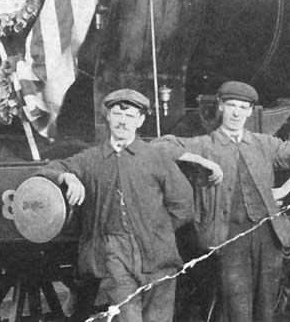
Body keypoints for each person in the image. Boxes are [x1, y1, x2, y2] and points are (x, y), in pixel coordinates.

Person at [159, 81, 290, 322]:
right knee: (237, 308)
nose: (236, 112)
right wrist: (200, 160)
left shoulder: (264, 144)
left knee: (266, 307)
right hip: (230, 238)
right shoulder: (206, 144)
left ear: (250, 111)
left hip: (269, 236)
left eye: (242, 107)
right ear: (221, 107)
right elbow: (159, 146)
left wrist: (286, 189)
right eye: (231, 106)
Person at [38, 89, 195, 322]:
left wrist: (157, 230)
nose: (123, 121)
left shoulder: (156, 158)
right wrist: (67, 177)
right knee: (127, 317)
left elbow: (183, 204)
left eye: (130, 116)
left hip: (158, 255)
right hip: (113, 253)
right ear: (108, 117)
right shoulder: (90, 159)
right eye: (117, 114)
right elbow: (48, 168)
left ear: (140, 121)